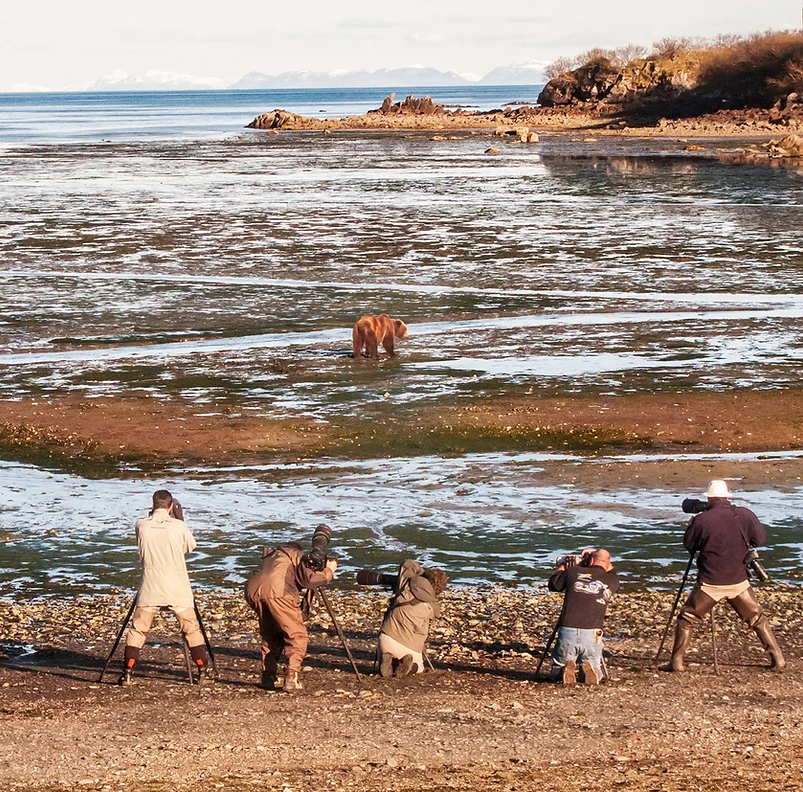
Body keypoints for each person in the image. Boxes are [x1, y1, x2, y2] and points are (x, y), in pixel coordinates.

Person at [667, 480, 785, 673]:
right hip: (739, 579)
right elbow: (759, 539)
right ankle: (777, 658)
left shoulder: (702, 519)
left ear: (708, 497)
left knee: (687, 618)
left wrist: (693, 525)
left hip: (710, 582)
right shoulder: (744, 515)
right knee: (757, 618)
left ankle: (677, 662)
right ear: (728, 496)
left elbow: (689, 545)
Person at [119, 489, 210, 686]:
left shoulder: (141, 525)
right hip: (177, 585)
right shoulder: (179, 527)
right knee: (191, 629)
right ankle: (202, 670)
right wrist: (180, 520)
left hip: (151, 584)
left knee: (138, 630)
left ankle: (127, 672)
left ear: (153, 505)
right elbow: (189, 547)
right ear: (171, 507)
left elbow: (143, 538)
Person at [244, 533, 337, 692]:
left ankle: (268, 677)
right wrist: (328, 571)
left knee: (271, 635)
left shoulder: (273, 555)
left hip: (253, 591)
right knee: (297, 635)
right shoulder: (297, 556)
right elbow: (308, 580)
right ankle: (292, 677)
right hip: (277, 592)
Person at [548, 548, 619, 685]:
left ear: (591, 560)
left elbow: (554, 584)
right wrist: (596, 553)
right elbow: (609, 567)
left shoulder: (573, 572)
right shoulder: (612, 580)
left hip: (568, 630)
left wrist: (563, 566)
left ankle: (563, 671)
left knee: (557, 668)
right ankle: (591, 671)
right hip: (593, 633)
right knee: (594, 663)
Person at [377, 560, 448, 677]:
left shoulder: (406, 585)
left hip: (386, 639)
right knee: (419, 666)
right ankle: (405, 666)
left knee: (384, 654)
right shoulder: (432, 608)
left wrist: (423, 572)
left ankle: (387, 660)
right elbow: (422, 635)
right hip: (408, 646)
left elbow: (408, 564)